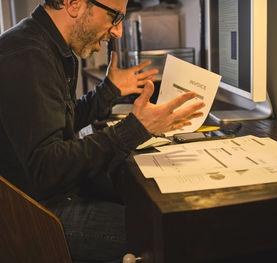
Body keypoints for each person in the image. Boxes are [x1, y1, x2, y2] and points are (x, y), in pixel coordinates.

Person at [0, 0, 205, 262]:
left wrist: (108, 91)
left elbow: (60, 123)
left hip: (45, 197)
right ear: (74, 4)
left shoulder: (43, 45)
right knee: (166, 231)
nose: (118, 31)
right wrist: (134, 129)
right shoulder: (27, 55)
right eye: (114, 16)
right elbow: (47, 167)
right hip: (35, 217)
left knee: (141, 200)